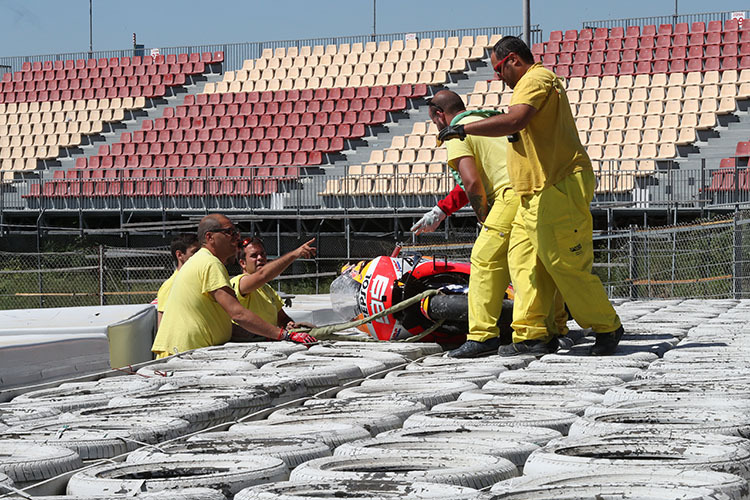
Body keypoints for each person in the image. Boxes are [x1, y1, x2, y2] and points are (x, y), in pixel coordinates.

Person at [438, 36, 623, 357]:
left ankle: (606, 325)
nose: (499, 77)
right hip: (530, 192)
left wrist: (463, 131)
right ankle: (533, 334)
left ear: (512, 60)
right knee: (525, 264)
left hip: (557, 185)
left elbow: (517, 119)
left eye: (499, 69)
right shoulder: (526, 86)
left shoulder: (535, 79)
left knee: (562, 263)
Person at [424, 89, 521, 358]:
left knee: (484, 261)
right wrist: (442, 210)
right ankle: (546, 330)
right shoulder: (485, 120)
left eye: (433, 121)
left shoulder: (456, 131)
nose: (436, 126)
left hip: (506, 197)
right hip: (528, 192)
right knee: (525, 266)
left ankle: (482, 336)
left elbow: (472, 182)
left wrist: (483, 217)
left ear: (440, 116)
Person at [151, 214, 316, 359]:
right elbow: (238, 313)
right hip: (182, 353)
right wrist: (283, 335)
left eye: (236, 232)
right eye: (229, 232)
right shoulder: (210, 264)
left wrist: (269, 336)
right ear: (210, 237)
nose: (236, 237)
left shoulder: (206, 262)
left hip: (186, 351)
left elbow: (227, 323)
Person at [231, 236, 317, 340]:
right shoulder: (240, 282)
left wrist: (290, 325)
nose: (260, 258)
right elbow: (262, 275)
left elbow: (282, 318)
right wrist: (295, 254)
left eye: (262, 254)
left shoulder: (267, 289)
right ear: (242, 263)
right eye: (254, 256)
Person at [155, 233, 200, 327]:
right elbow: (163, 324)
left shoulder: (198, 278)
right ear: (179, 255)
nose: (200, 256)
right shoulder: (170, 285)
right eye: (195, 252)